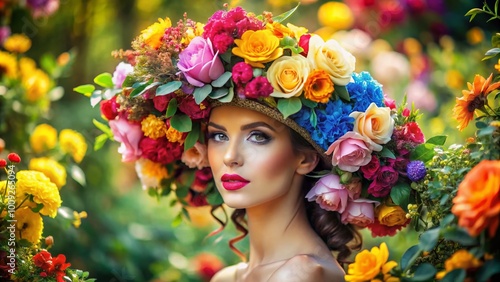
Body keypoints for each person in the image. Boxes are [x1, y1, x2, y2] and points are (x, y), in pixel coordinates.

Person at [98, 5, 410, 282]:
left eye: (258, 136)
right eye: (219, 136)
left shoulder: (303, 274)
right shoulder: (227, 277)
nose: (230, 157)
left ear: (306, 158)